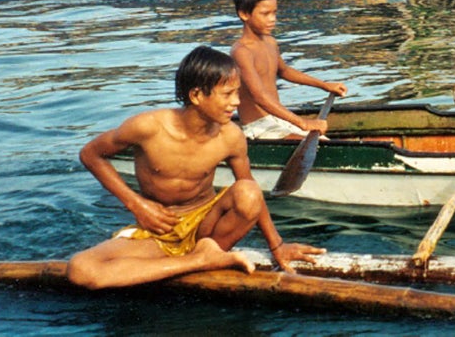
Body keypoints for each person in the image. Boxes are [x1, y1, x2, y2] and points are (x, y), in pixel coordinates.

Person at [66, 46, 324, 289]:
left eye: (237, 92)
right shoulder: (147, 127)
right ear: (197, 95)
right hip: (159, 232)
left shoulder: (231, 136)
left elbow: (252, 195)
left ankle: (206, 252)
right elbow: (90, 154)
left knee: (247, 191)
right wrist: (136, 204)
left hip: (207, 230)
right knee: (81, 269)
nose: (236, 102)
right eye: (227, 94)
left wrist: (277, 246)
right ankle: (199, 261)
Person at [231, 0, 347, 140]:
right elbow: (260, 96)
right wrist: (303, 123)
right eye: (265, 14)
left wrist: (325, 85)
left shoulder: (270, 41)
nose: (272, 19)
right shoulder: (241, 51)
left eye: (274, 12)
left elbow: (284, 71)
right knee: (320, 144)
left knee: (323, 141)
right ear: (244, 14)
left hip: (278, 120)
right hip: (258, 127)